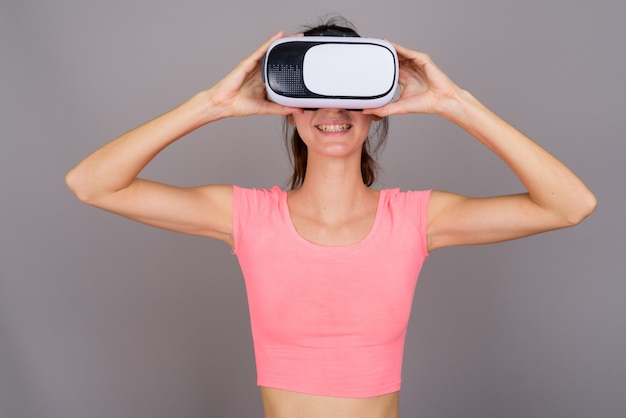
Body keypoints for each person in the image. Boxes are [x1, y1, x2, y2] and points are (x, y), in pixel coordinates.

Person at [65, 17, 596, 418]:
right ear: (289, 108)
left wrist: (453, 101)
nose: (332, 111)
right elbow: (91, 183)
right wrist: (213, 104)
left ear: (375, 107)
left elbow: (571, 204)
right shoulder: (248, 216)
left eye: (349, 95)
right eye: (313, 96)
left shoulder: (415, 219)